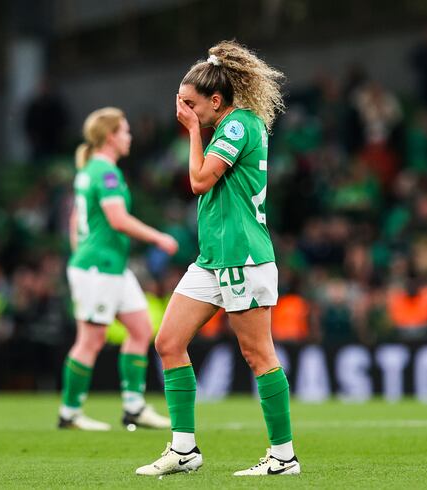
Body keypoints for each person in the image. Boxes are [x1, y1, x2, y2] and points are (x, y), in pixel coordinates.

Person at [137, 41, 300, 476]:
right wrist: (197, 128)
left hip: (243, 257)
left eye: (190, 103)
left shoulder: (235, 127)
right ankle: (184, 450)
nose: (183, 110)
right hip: (213, 259)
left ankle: (284, 456)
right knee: (168, 343)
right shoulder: (232, 126)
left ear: (215, 100)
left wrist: (192, 131)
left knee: (258, 354)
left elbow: (199, 180)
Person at [59, 107, 178, 430]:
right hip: (100, 267)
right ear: (111, 136)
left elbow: (75, 221)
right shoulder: (106, 173)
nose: (130, 136)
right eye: (125, 131)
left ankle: (134, 408)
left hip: (109, 266)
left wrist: (80, 254)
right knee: (91, 339)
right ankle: (69, 413)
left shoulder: (89, 171)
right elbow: (117, 220)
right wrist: (159, 238)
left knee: (140, 328)